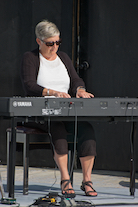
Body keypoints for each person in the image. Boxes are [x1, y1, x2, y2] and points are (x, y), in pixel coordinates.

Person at [21, 19, 97, 197]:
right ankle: (65, 179)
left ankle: (87, 180)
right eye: (50, 43)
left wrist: (80, 90)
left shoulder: (63, 57)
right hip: (41, 113)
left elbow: (76, 79)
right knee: (58, 131)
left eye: (57, 42)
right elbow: (29, 86)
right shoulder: (30, 58)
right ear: (39, 41)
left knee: (87, 131)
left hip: (65, 111)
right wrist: (52, 92)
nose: (54, 47)